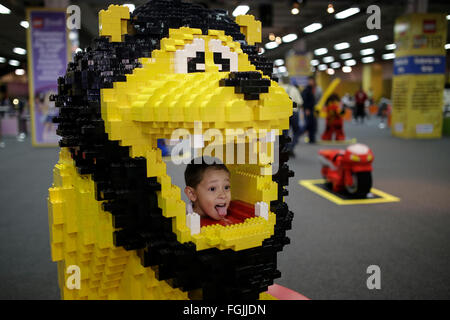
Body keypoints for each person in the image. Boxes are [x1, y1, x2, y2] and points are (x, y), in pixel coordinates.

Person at [184, 157, 231, 221]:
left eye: (226, 187)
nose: (223, 195)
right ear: (192, 194)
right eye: (212, 189)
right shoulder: (183, 220)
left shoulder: (230, 215)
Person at [279, 76, 303, 157]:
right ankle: (291, 147)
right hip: (294, 112)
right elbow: (300, 102)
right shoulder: (294, 89)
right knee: (296, 131)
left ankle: (285, 148)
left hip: (283, 113)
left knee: (284, 132)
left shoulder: (279, 89)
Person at [300, 76, 318, 144]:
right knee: (307, 125)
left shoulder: (312, 89)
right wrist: (306, 109)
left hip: (311, 109)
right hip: (308, 110)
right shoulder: (307, 89)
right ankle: (297, 134)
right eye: (310, 81)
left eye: (312, 81)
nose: (311, 82)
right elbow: (304, 100)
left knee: (312, 125)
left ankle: (312, 138)